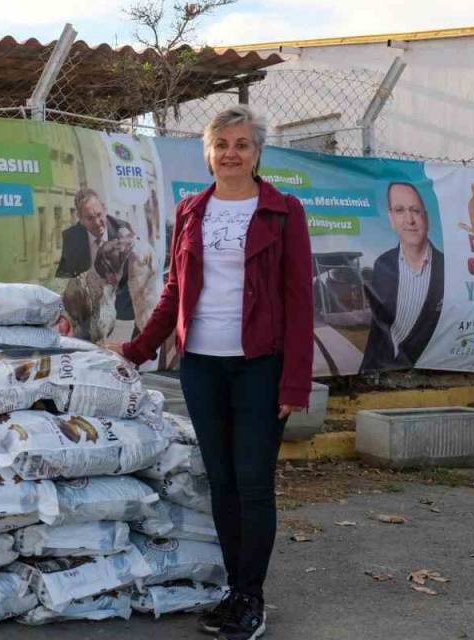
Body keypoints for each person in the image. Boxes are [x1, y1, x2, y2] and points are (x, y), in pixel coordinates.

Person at [110, 105, 313, 640]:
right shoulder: (192, 211)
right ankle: (232, 590)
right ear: (208, 154)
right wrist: (134, 351)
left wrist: (294, 381)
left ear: (257, 153)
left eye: (242, 144)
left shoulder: (283, 212)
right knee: (221, 482)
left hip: (260, 368)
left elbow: (299, 302)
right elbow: (175, 291)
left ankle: (252, 597)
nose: (230, 154)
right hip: (201, 365)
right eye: (221, 144)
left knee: (252, 484)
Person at [360, 182, 444, 373]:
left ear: (426, 217)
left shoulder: (447, 269)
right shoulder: (382, 265)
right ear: (391, 218)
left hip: (430, 375)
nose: (409, 220)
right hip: (380, 374)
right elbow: (378, 331)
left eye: (415, 210)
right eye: (399, 210)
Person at [56, 188, 135, 329]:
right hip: (86, 313)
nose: (98, 222)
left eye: (99, 215)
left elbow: (134, 276)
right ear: (80, 220)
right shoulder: (70, 237)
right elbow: (65, 276)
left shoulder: (123, 230)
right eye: (90, 218)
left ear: (104, 209)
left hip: (122, 313)